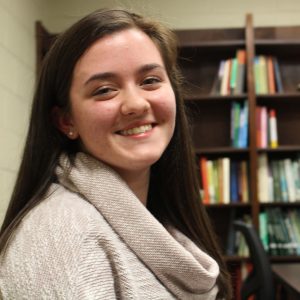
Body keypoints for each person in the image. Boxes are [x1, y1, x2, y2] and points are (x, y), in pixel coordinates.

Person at [0, 8, 232, 299]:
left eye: (150, 80)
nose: (135, 104)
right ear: (66, 121)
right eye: (105, 90)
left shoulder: (155, 221)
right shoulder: (63, 238)